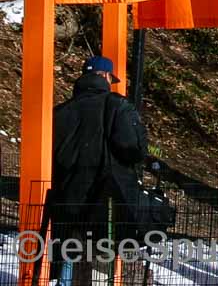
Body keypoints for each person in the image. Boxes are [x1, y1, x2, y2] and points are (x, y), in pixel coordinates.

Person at [47, 56, 148, 286]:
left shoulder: (60, 112)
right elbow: (132, 149)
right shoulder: (117, 105)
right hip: (105, 196)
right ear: (104, 76)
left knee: (67, 252)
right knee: (102, 255)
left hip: (66, 196)